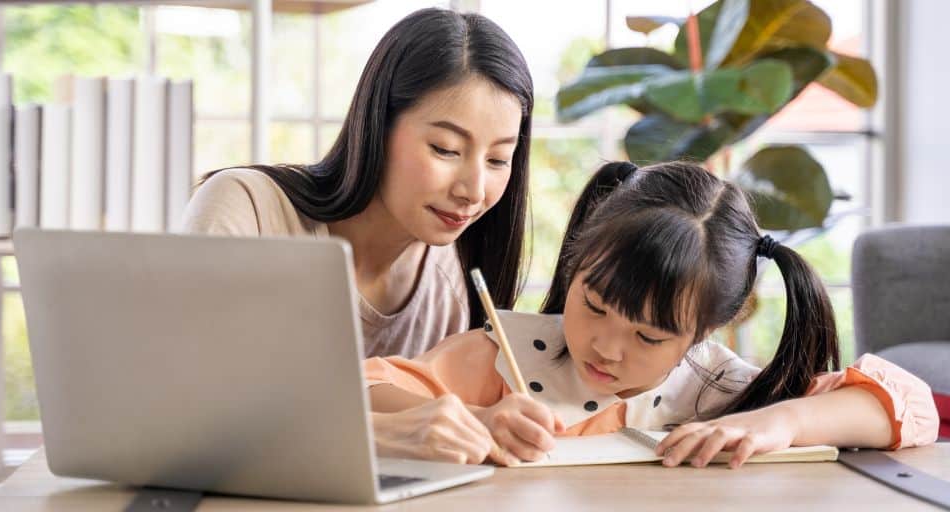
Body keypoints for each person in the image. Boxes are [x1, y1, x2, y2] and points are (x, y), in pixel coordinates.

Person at [364, 161, 940, 468]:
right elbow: (358, 389)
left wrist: (778, 424)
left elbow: (909, 408)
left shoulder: (718, 391)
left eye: (648, 335)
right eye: (593, 305)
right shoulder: (502, 355)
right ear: (576, 262)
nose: (607, 348)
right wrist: (469, 418)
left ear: (708, 328)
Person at [183, 8, 532, 464]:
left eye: (498, 160)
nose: (473, 190)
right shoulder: (247, 209)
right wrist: (377, 435)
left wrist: (478, 425)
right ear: (376, 126)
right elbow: (192, 407)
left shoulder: (451, 287)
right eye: (446, 149)